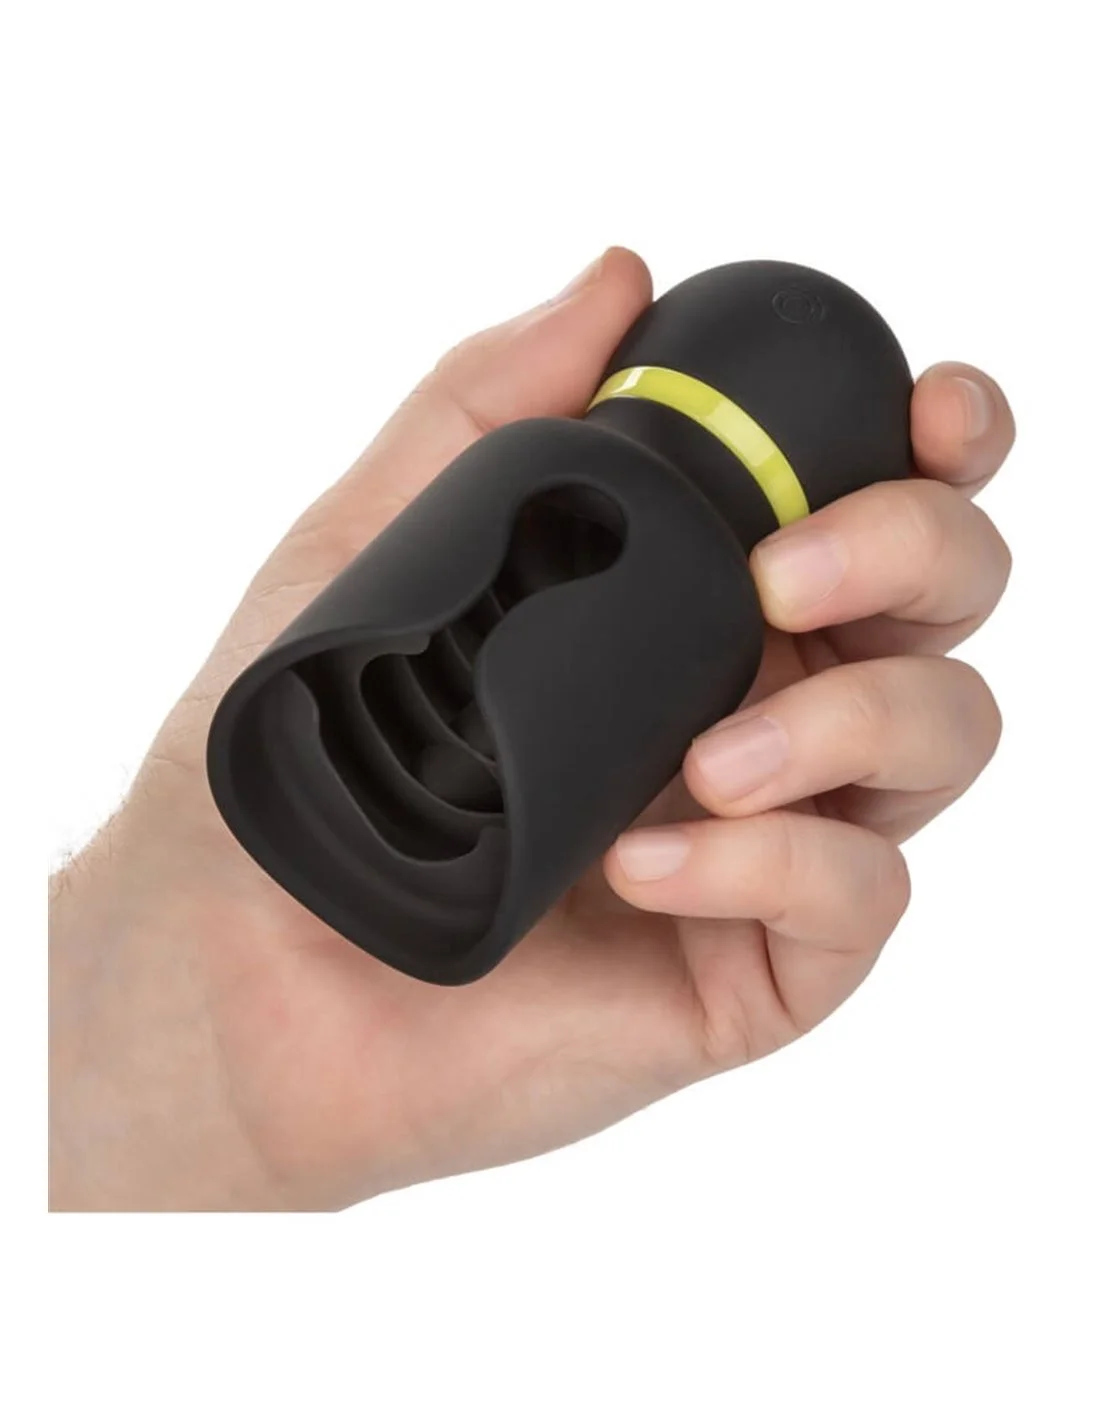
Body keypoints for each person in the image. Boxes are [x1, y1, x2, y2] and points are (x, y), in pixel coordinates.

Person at [49, 248, 1015, 1211]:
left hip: (390, 818)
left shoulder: (556, 485)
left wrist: (211, 1100)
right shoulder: (619, 543)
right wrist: (186, 1017)